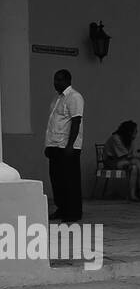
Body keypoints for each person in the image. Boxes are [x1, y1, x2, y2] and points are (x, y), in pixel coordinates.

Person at [44, 69, 84, 223]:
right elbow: (54, 123)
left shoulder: (74, 97)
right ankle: (61, 208)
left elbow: (76, 122)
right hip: (55, 145)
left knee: (70, 181)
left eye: (59, 80)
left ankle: (73, 212)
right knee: (57, 180)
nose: (56, 83)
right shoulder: (57, 99)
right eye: (55, 79)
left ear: (68, 80)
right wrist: (48, 145)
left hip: (67, 147)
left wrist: (70, 145)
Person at [104, 120, 140, 203]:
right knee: (137, 162)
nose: (136, 133)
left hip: (124, 161)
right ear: (129, 131)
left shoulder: (129, 140)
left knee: (134, 167)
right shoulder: (116, 138)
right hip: (112, 161)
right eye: (135, 131)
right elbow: (124, 155)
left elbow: (129, 156)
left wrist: (134, 159)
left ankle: (132, 195)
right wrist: (135, 160)